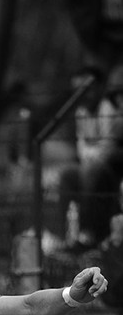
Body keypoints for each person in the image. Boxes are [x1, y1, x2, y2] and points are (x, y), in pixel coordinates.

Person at [57, 67, 123, 246]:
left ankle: (88, 232)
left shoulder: (108, 108)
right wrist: (88, 157)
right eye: (77, 90)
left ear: (99, 87)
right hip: (91, 163)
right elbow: (81, 144)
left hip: (112, 167)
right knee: (67, 174)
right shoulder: (82, 112)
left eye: (85, 89)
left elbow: (109, 146)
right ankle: (69, 233)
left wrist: (89, 157)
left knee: (90, 172)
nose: (81, 94)